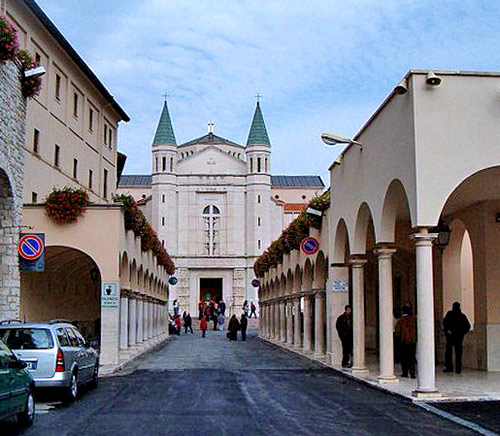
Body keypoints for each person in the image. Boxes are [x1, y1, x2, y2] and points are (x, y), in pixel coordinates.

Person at [443, 302, 471, 374]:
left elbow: (445, 323)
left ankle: (449, 367)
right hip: (458, 337)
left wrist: (448, 331)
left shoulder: (449, 314)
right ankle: (458, 368)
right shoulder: (462, 316)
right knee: (458, 353)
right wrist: (461, 333)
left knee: (449, 352)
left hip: (451, 336)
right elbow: (467, 326)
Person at [394, 306, 417, 378]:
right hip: (412, 341)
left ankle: (405, 372)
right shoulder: (414, 319)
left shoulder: (401, 321)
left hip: (403, 341)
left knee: (404, 358)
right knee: (412, 357)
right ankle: (412, 372)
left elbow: (397, 332)